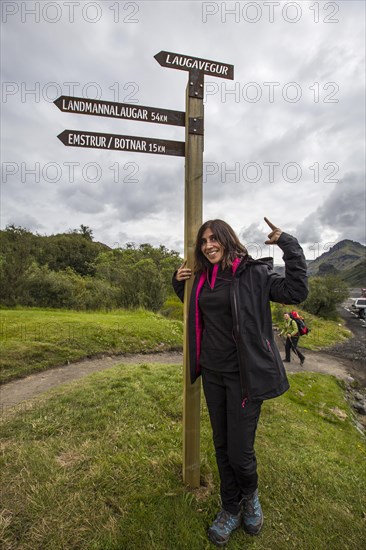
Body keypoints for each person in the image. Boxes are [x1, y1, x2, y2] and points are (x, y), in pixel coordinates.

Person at [172, 217, 308, 546]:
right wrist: (178, 283)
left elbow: (296, 291)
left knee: (240, 452)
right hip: (213, 374)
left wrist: (288, 243)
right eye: (203, 241)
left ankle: (251, 498)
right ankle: (230, 508)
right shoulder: (203, 279)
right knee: (221, 446)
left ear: (226, 240)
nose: (207, 245)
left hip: (245, 377)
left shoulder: (254, 275)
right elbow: (195, 309)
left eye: (213, 239)